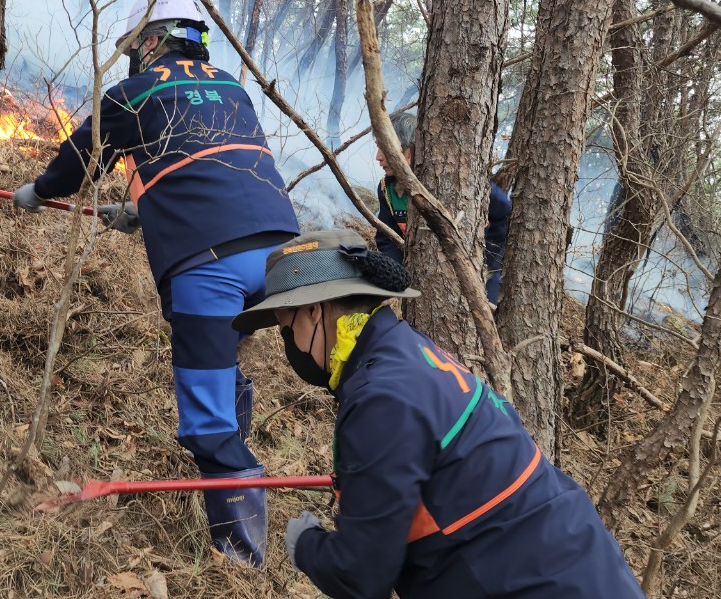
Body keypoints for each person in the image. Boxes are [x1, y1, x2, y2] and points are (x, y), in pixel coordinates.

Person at [13, 0, 298, 566]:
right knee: (225, 360)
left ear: (150, 41)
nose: (131, 60)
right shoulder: (231, 88)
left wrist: (38, 191)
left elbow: (75, 164)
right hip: (279, 255)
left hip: (207, 267)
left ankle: (241, 559)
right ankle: (234, 441)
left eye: (133, 49)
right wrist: (144, 214)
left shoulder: (134, 93)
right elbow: (216, 165)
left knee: (205, 414)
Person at [232, 230, 645, 598]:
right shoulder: (406, 350)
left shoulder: (381, 397)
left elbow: (359, 577)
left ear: (314, 311)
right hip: (573, 558)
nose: (288, 340)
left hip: (527, 579)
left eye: (287, 324)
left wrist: (306, 543)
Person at [374, 112, 511, 303]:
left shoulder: (457, 179)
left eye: (384, 148)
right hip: (422, 280)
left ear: (409, 150)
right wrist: (398, 277)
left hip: (475, 275)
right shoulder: (387, 189)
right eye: (377, 147)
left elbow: (504, 212)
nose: (377, 157)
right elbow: (387, 238)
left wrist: (490, 265)